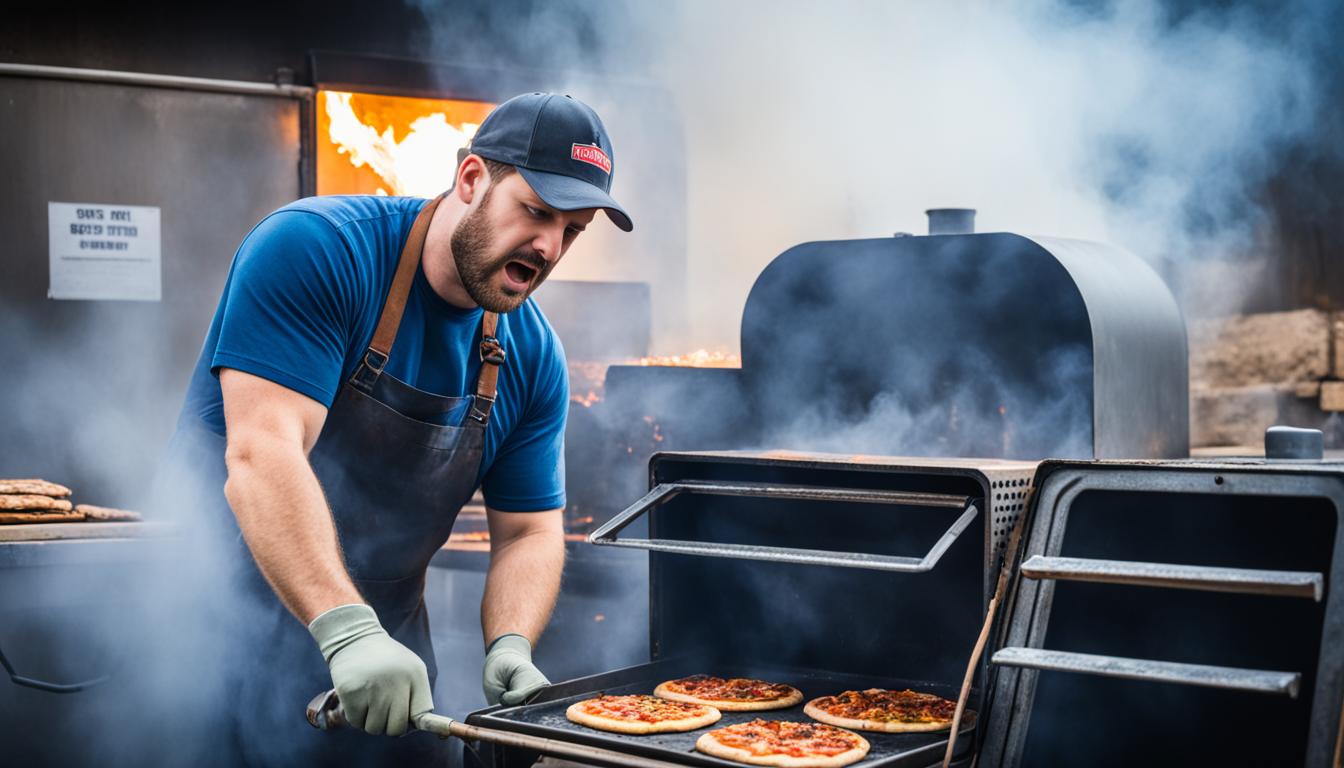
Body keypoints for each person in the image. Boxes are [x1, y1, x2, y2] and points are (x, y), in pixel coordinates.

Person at [160, 92, 632, 765]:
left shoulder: (533, 355)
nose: (550, 246)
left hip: (389, 667)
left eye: (573, 229)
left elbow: (529, 530)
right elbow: (262, 454)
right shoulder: (318, 251)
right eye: (536, 212)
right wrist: (347, 631)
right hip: (212, 637)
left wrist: (510, 645)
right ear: (471, 179)